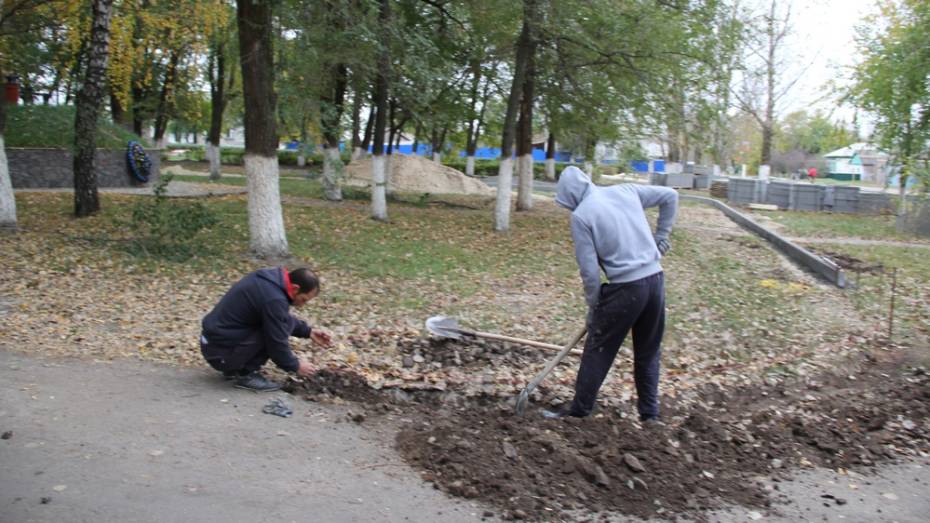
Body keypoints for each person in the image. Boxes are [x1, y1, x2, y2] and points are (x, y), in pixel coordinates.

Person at [548, 166, 678, 423]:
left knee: (598, 349)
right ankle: (650, 416)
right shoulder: (626, 191)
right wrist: (661, 237)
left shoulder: (582, 216)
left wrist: (595, 308)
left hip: (625, 289)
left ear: (570, 196)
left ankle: (579, 412)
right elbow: (670, 196)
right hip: (655, 282)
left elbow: (590, 273)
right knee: (648, 352)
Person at [200, 266, 333, 392]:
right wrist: (296, 366)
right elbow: (276, 341)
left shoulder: (271, 279)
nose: (302, 305)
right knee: (273, 332)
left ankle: (234, 368)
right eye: (303, 299)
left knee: (275, 325)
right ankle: (245, 374)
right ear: (295, 288)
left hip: (213, 344)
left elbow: (280, 318)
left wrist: (308, 332)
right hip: (220, 353)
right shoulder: (274, 299)